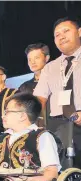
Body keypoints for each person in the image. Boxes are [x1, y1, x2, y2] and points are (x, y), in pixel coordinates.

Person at [33, 16, 81, 169]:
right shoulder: (50, 67)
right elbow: (39, 98)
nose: (61, 36)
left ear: (79, 32)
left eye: (66, 31)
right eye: (57, 35)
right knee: (61, 173)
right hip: (58, 126)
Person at [19, 43, 50, 127]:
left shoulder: (55, 81)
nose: (32, 62)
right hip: (32, 130)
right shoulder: (23, 87)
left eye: (36, 58)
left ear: (46, 58)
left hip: (55, 128)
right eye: (29, 59)